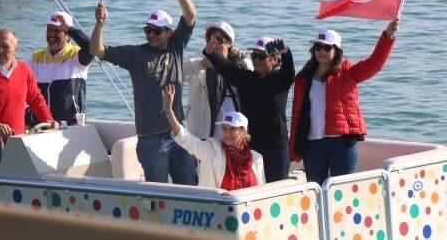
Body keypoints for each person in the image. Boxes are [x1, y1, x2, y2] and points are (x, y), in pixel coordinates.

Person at [90, 0, 197, 185]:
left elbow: (190, 16)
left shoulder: (176, 46)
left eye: (157, 31)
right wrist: (99, 24)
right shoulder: (135, 54)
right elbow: (97, 51)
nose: (151, 34)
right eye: (147, 30)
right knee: (158, 194)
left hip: (178, 134)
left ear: (169, 32)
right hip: (151, 141)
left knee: (189, 188)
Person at [289, 20, 399, 185]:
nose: (321, 51)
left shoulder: (348, 72)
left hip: (341, 143)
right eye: (318, 47)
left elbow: (375, 63)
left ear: (336, 50)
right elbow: (297, 114)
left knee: (341, 190)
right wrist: (295, 145)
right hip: (313, 144)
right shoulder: (304, 78)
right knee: (316, 189)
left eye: (327, 48)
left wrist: (387, 36)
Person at [0, 29, 58, 177]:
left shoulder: (24, 70)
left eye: (5, 46)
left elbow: (36, 99)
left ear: (15, 50)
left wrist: (48, 120)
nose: (0, 50)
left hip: (16, 146)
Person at [204, 36, 294, 183]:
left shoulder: (280, 80)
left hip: (276, 147)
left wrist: (285, 52)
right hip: (251, 145)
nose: (257, 60)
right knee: (253, 187)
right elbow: (227, 68)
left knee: (277, 188)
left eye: (262, 56)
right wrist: (210, 52)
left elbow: (289, 71)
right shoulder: (247, 79)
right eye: (254, 55)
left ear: (275, 61)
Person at [162, 84, 264, 190]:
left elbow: (260, 194)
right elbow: (186, 139)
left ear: (244, 132)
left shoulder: (256, 158)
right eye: (224, 128)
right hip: (217, 205)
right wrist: (169, 111)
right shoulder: (211, 150)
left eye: (232, 129)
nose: (227, 133)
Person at [183, 21, 251, 140]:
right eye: (210, 39)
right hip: (203, 132)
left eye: (219, 40)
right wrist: (202, 64)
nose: (213, 44)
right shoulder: (200, 66)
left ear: (229, 43)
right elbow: (176, 73)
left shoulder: (241, 65)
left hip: (234, 134)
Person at [27, 11, 93, 126]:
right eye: (49, 29)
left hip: (70, 128)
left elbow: (91, 47)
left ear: (68, 36)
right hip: (42, 126)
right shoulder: (37, 57)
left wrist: (70, 29)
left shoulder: (75, 56)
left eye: (56, 30)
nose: (51, 34)